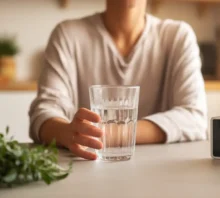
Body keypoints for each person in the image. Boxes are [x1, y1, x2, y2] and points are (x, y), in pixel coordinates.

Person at [29, 0, 207, 160]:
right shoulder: (68, 35)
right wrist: (67, 133)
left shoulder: (177, 36)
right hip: (85, 170)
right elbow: (43, 113)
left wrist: (110, 133)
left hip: (160, 173)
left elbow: (195, 118)